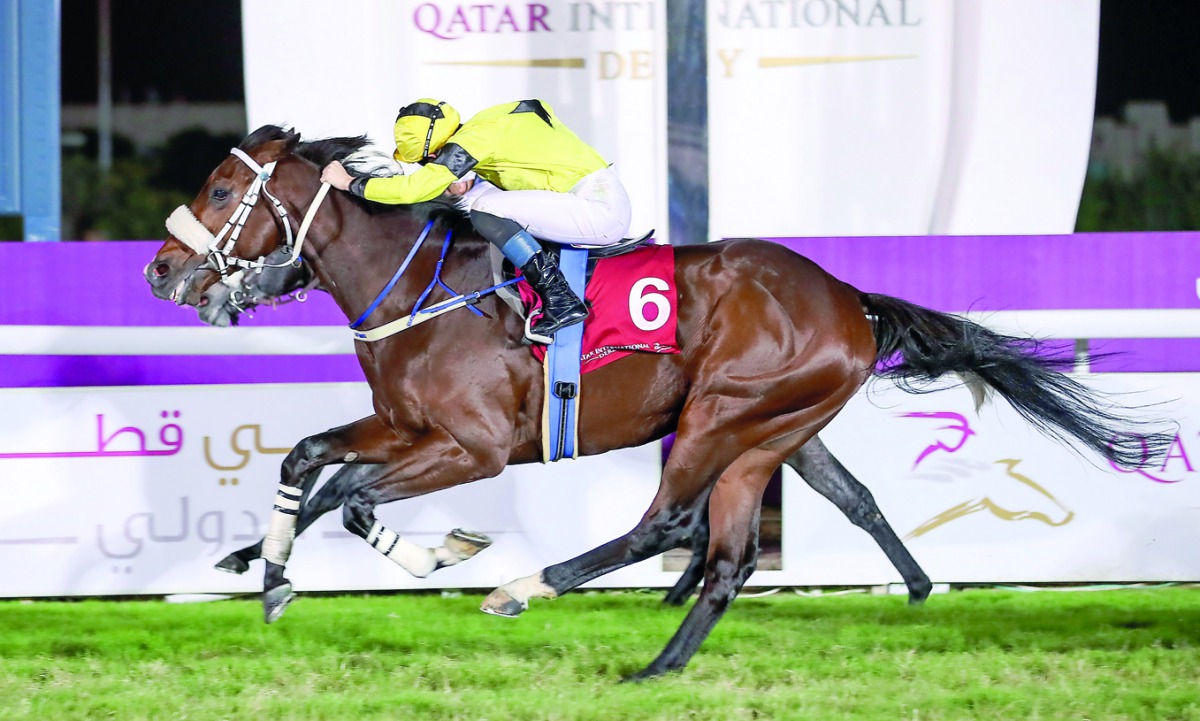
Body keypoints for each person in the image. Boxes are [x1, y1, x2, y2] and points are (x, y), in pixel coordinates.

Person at [321, 98, 633, 342]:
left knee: (484, 208)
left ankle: (561, 299)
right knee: (487, 200)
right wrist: (474, 175)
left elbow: (415, 189)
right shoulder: (490, 121)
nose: (430, 165)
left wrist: (350, 183)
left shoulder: (474, 140)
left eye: (426, 161)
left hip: (597, 208)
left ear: (435, 151)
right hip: (595, 194)